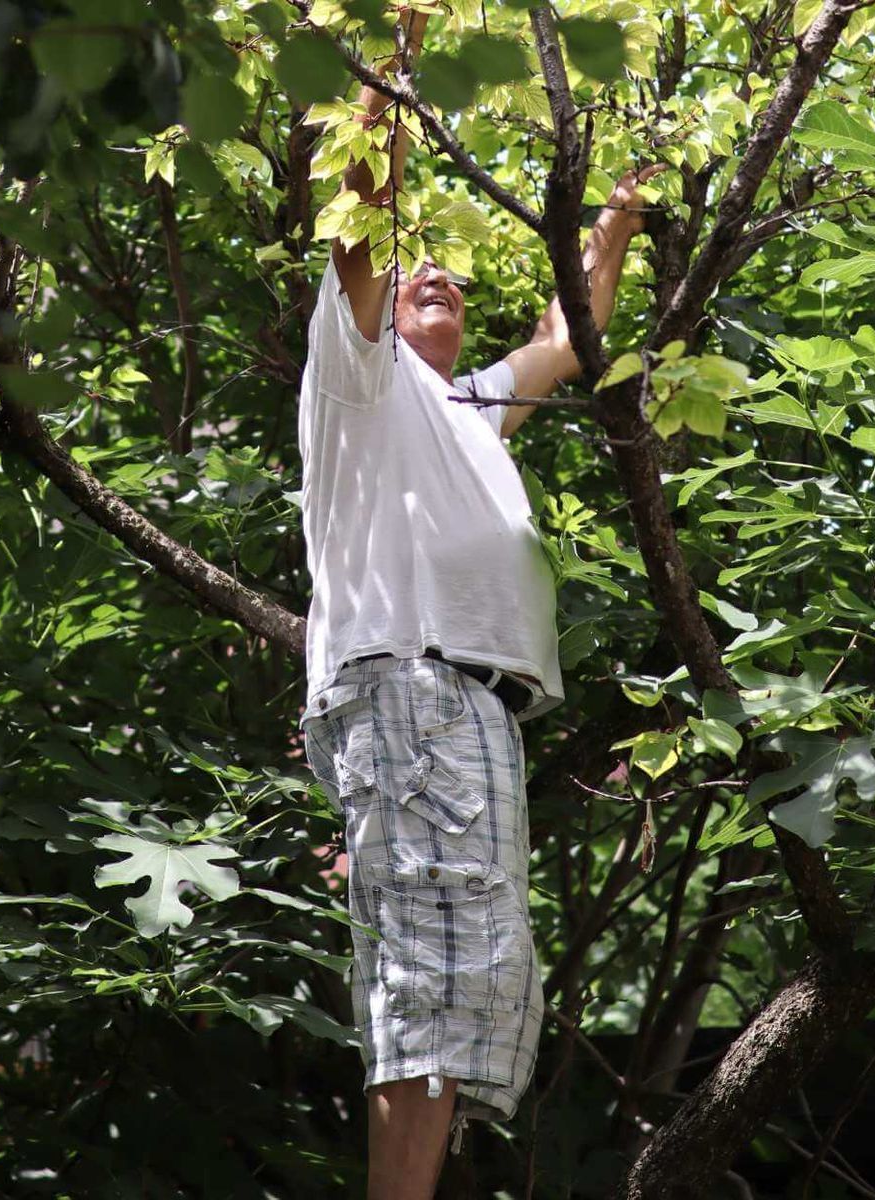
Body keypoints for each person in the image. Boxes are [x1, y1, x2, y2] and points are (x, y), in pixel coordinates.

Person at [294, 11, 662, 1198]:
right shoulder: (361, 382)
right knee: (425, 969)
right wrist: (386, 78)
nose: (434, 278)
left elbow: (569, 330)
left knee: (475, 979)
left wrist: (622, 206)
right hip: (411, 678)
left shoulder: (466, 408)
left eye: (449, 276)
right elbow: (359, 238)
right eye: (417, 279)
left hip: (469, 705)